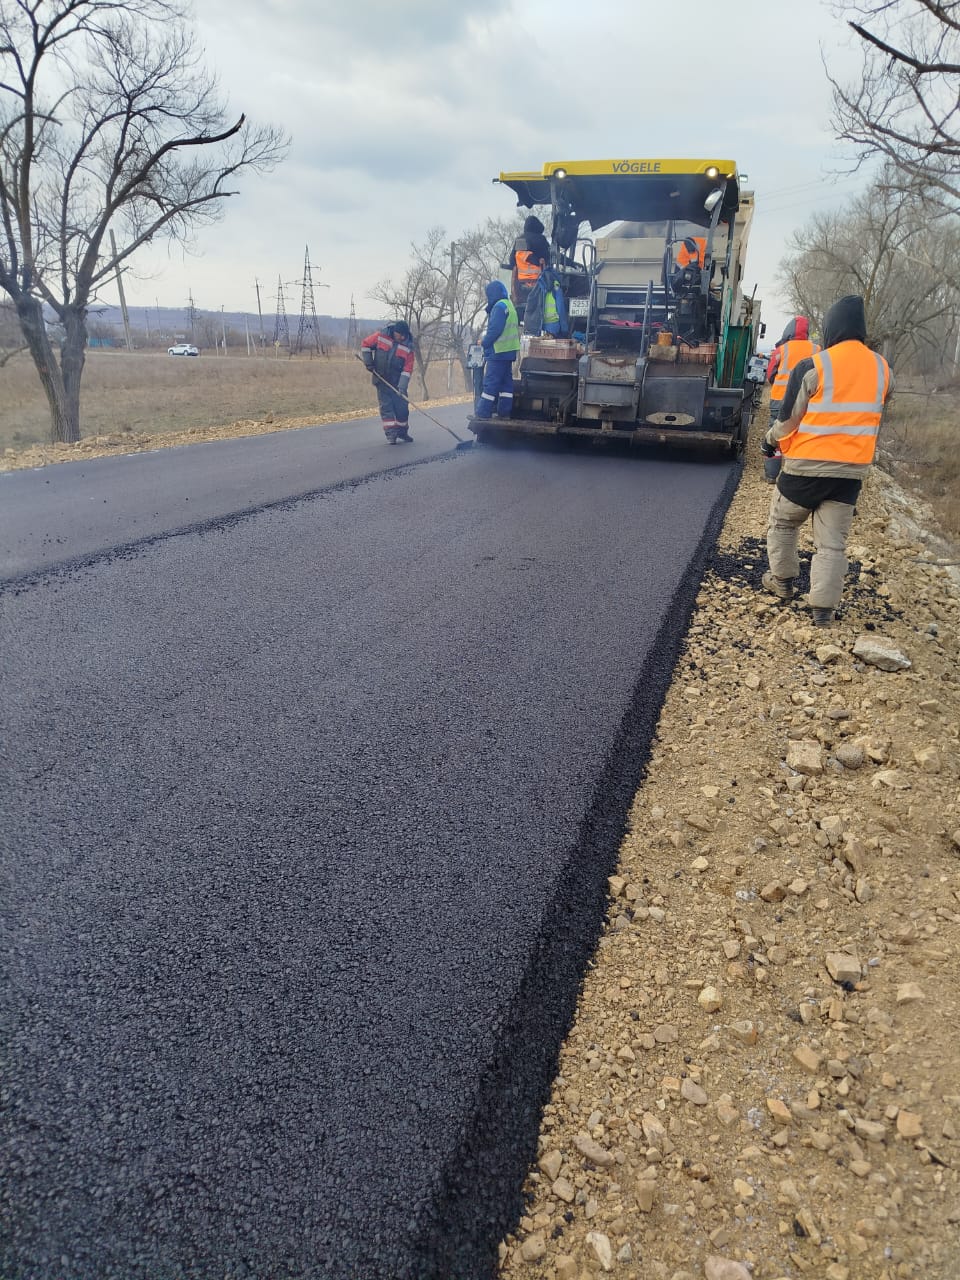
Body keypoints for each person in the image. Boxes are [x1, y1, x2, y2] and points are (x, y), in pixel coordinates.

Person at [760, 295, 893, 627]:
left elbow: (789, 420)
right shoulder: (882, 368)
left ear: (832, 328)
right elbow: (880, 405)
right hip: (850, 474)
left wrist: (769, 440)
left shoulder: (816, 366)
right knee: (832, 544)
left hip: (806, 468)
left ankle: (784, 583)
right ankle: (823, 612)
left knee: (784, 522)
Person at [764, 316, 820, 481]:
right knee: (803, 435)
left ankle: (771, 474)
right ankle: (797, 475)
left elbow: (770, 375)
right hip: (809, 401)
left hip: (780, 399)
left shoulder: (781, 350)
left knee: (776, 434)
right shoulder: (817, 350)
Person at [360, 321, 416, 442]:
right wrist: (368, 362)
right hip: (381, 380)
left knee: (402, 410)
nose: (401, 337)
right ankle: (391, 435)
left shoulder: (408, 347)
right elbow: (365, 344)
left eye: (403, 335)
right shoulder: (381, 336)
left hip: (397, 384)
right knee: (387, 408)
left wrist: (402, 387)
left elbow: (407, 369)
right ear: (394, 332)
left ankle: (402, 432)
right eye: (399, 335)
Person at [475, 281, 520, 420]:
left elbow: (495, 330)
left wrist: (484, 342)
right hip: (509, 352)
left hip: (498, 352)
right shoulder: (509, 305)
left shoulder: (499, 307)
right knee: (506, 383)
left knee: (491, 383)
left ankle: (483, 412)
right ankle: (504, 412)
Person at [509, 215, 552, 317]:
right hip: (539, 285)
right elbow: (548, 259)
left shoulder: (519, 241)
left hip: (521, 287)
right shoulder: (541, 240)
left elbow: (512, 262)